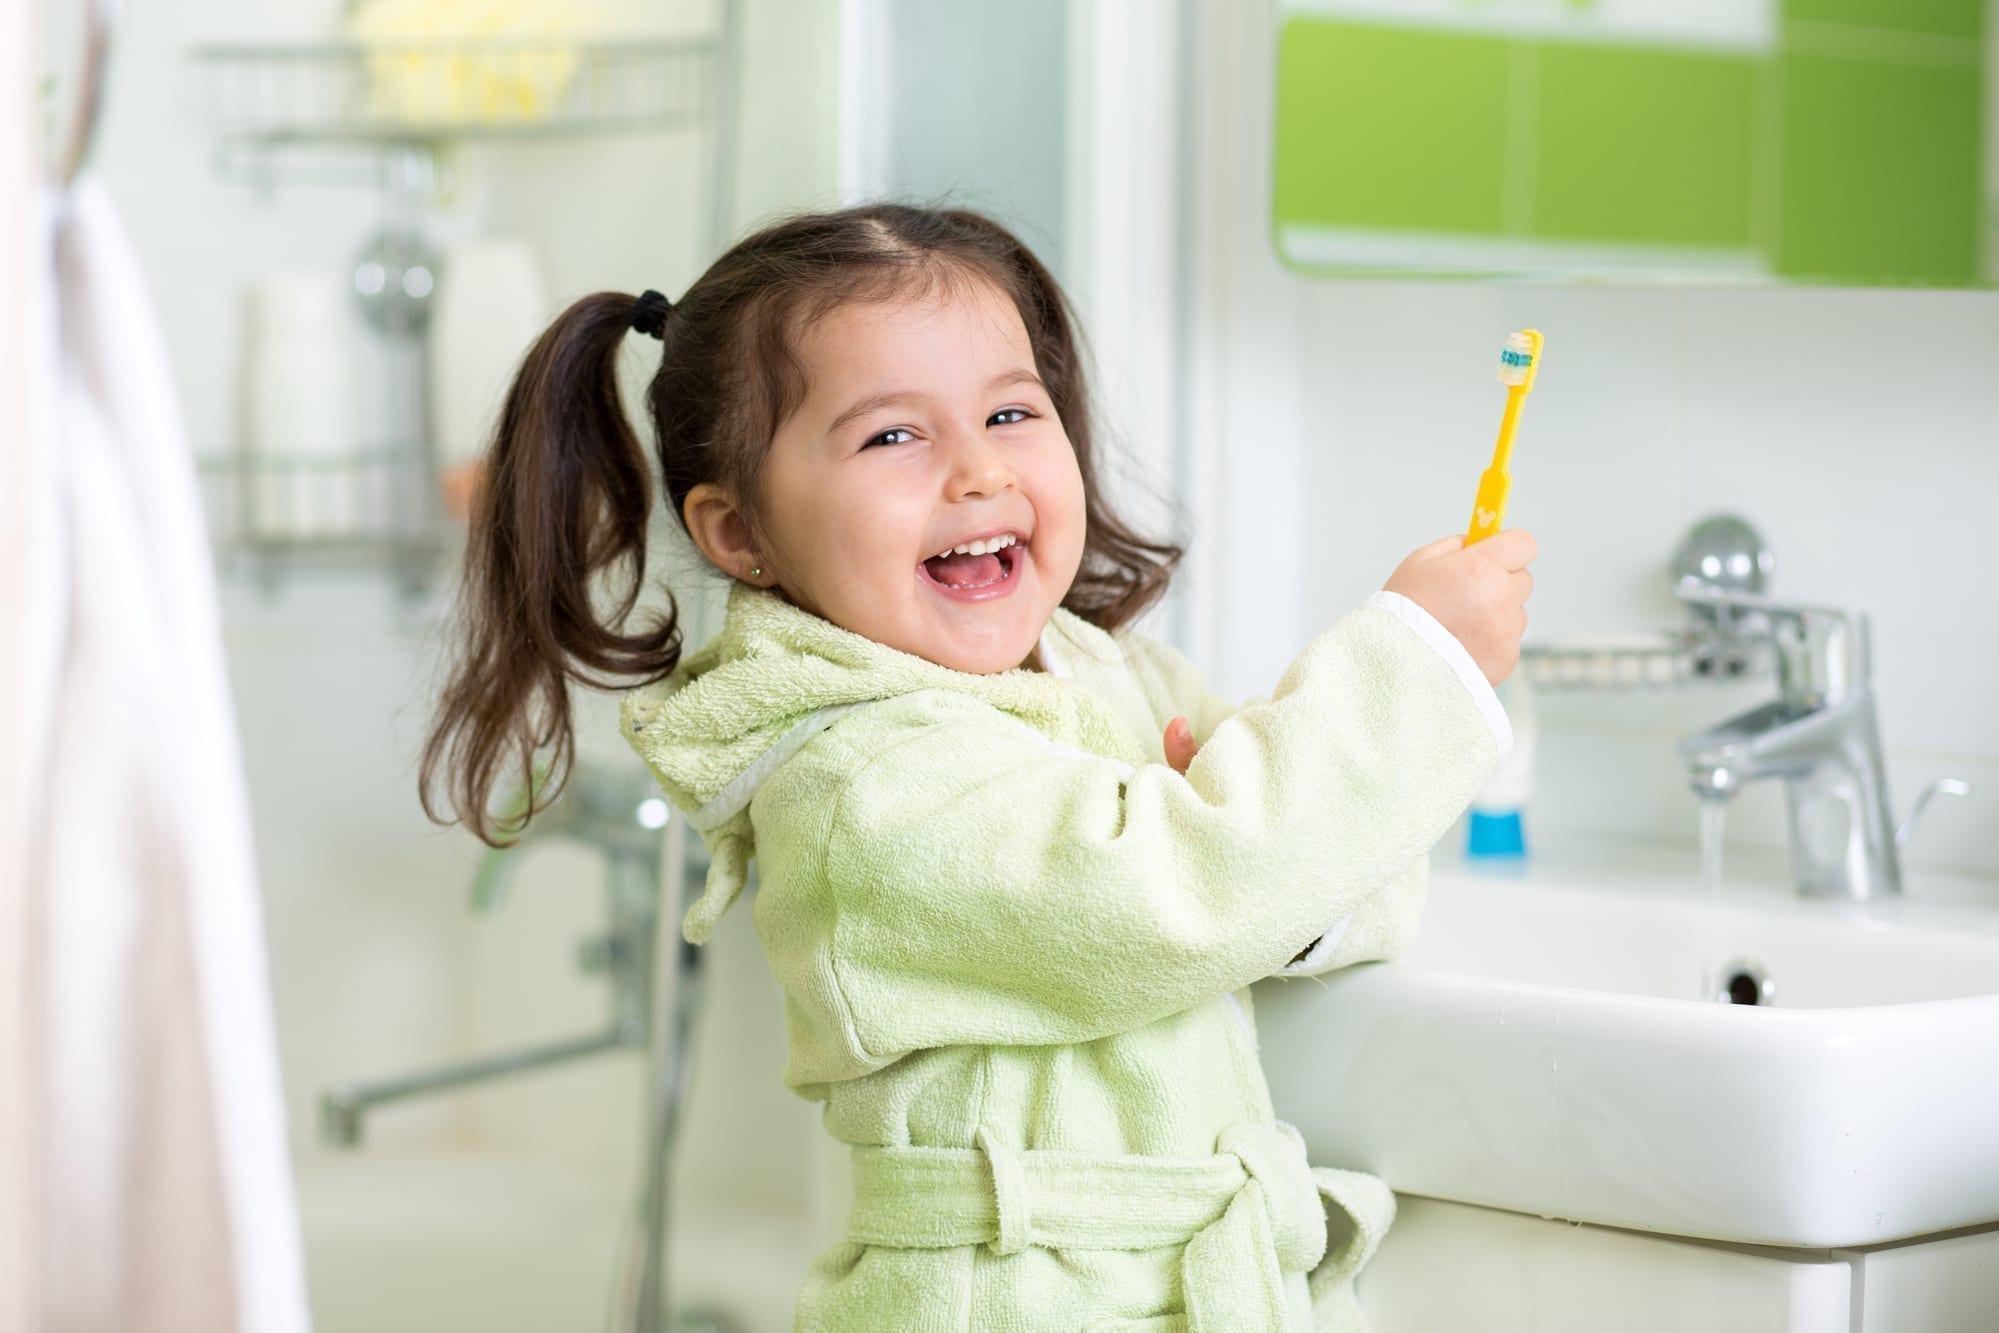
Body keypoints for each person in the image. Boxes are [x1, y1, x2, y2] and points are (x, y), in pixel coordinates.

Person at [422, 203, 1535, 1331]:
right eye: (892, 437)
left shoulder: (1106, 675)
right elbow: (1177, 892)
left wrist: (1269, 867)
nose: (976, 471)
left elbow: (1313, 854)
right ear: (738, 533)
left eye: (1011, 411)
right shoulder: (863, 784)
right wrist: (1414, 668)